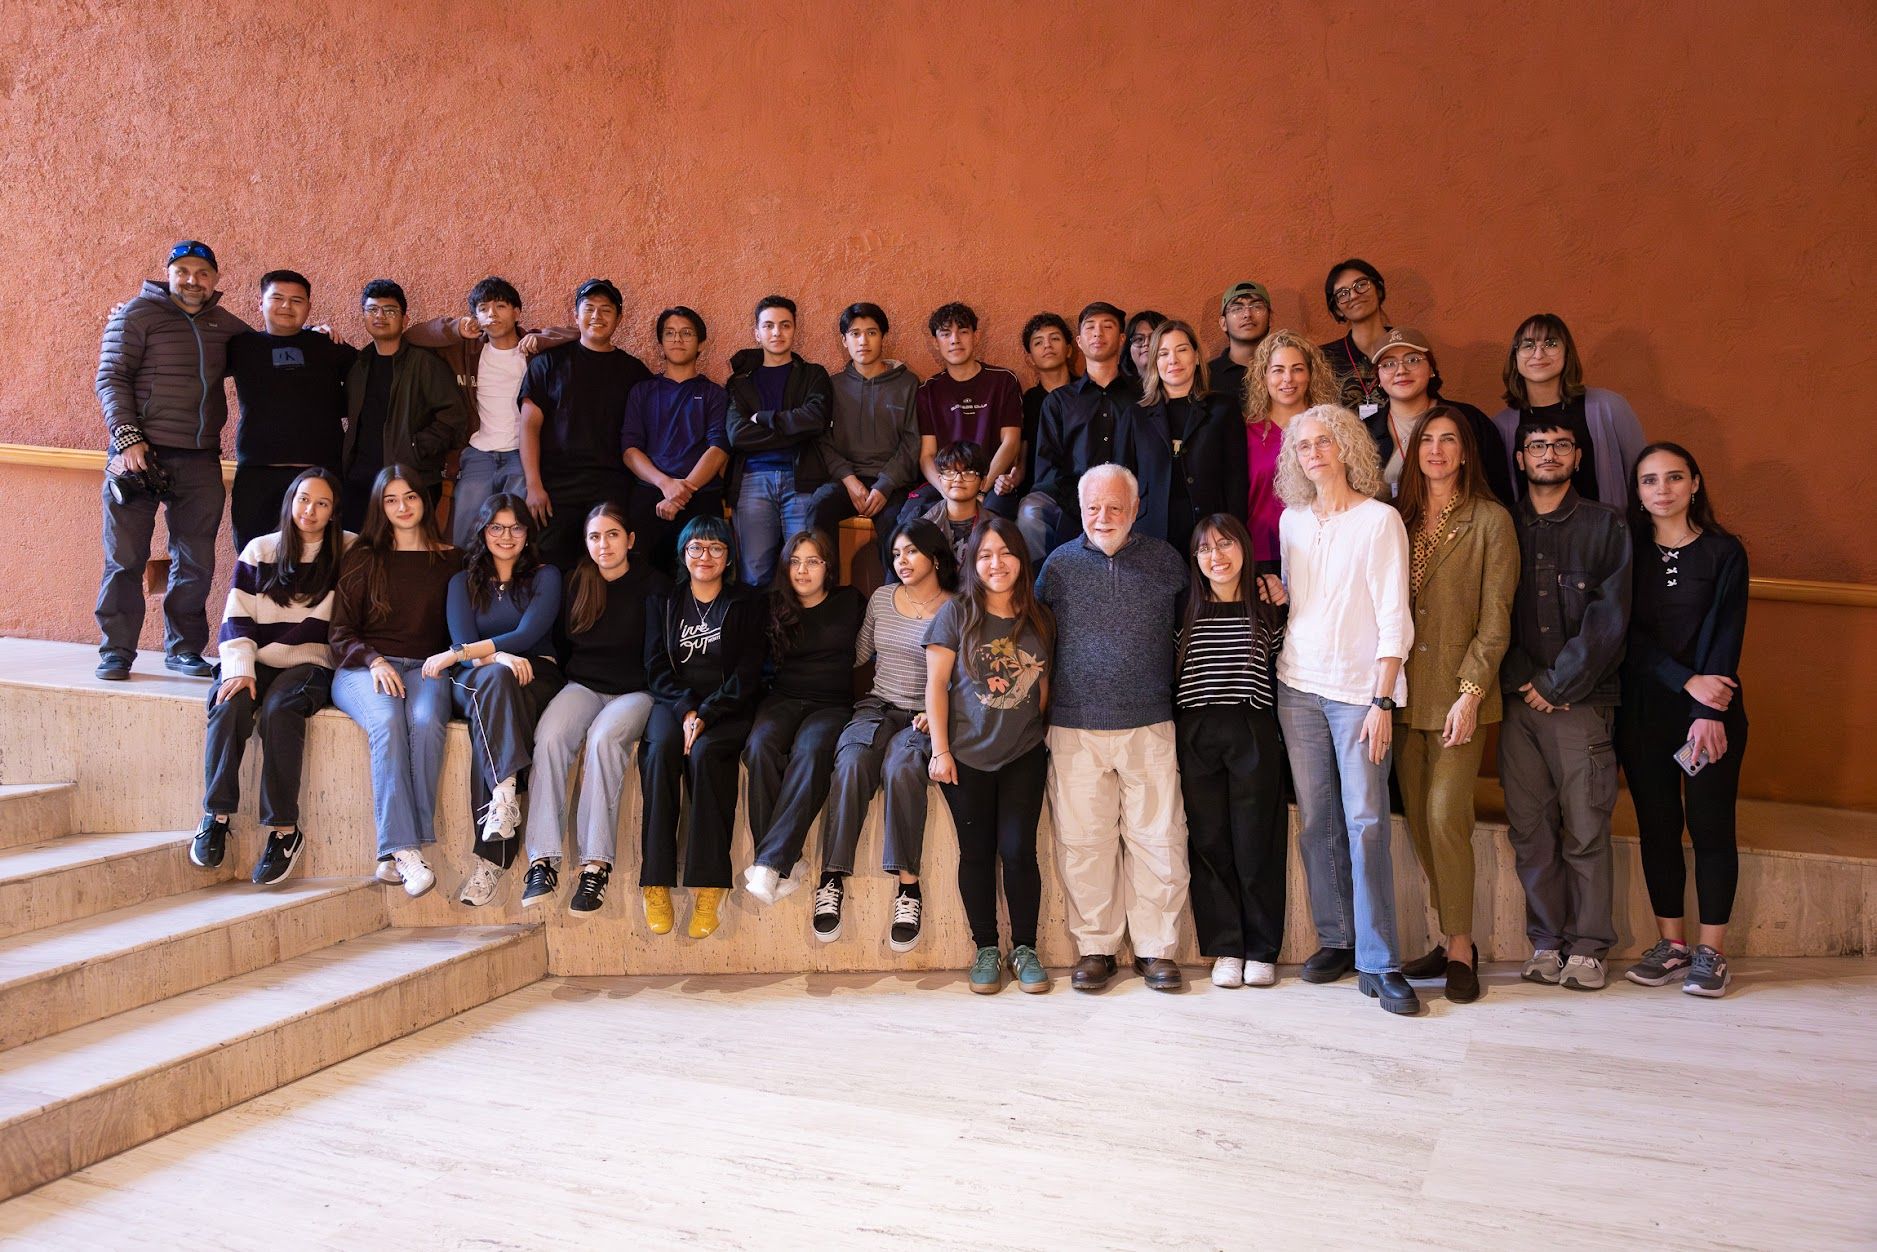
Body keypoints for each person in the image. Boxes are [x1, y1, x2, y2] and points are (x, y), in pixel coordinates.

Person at [1272, 405, 1420, 1015]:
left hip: (1360, 694)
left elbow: (1394, 615)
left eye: (1324, 441)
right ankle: (1336, 939)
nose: (1313, 453)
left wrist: (1383, 697)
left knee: (1367, 823)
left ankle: (1380, 961)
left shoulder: (1380, 520)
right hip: (1297, 686)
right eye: (1302, 446)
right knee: (1316, 823)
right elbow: (1300, 601)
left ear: (1348, 446)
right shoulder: (1291, 522)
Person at [1036, 463, 1190, 993]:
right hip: (1074, 724)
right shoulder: (1056, 567)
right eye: (1093, 507)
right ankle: (1096, 946)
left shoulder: (1166, 562)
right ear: (1080, 510)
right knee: (1084, 841)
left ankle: (1156, 950)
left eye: (1115, 506)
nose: (1104, 517)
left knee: (1158, 839)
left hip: (1149, 720)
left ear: (1135, 507)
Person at [1499, 416, 1632, 991]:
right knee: (1530, 831)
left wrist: (1556, 684)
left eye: (1559, 445)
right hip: (1517, 702)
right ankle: (1547, 942)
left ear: (1578, 457)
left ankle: (1590, 945)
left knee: (1584, 829)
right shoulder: (1503, 524)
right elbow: (1490, 612)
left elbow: (1611, 620)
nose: (1547, 454)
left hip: (1580, 703)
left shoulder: (1607, 527)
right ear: (1521, 458)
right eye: (1536, 445)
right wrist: (1527, 680)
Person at [1390, 410, 1518, 1004]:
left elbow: (1496, 622)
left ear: (1466, 453)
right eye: (1427, 441)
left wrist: (1471, 693)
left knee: (1445, 816)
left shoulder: (1491, 521)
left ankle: (1463, 945)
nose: (1436, 450)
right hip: (1402, 694)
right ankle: (1446, 937)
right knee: (1419, 820)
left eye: (1449, 441)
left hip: (1457, 697)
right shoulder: (1399, 517)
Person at [1618, 443, 1748, 998]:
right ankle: (1671, 944)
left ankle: (1711, 952)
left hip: (1711, 717)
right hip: (1644, 710)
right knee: (1658, 827)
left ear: (1695, 483)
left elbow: (1726, 636)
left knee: (1712, 828)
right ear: (1639, 493)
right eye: (1650, 481)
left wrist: (1704, 709)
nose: (1662, 489)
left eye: (1674, 477)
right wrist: (1682, 680)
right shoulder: (1626, 551)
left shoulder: (1724, 552)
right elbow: (1622, 636)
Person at [95, 240, 253, 681]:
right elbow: (110, 377)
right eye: (182, 270)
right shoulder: (135, 314)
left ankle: (184, 649)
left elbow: (262, 347)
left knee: (195, 560)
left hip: (200, 457)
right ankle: (116, 652)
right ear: (168, 273)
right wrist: (127, 438)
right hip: (137, 454)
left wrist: (314, 333)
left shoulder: (225, 325)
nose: (192, 280)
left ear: (216, 279)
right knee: (124, 558)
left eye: (202, 273)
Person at [193, 468, 351, 885]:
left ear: (334, 512)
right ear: (290, 502)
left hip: (312, 662)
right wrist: (241, 669)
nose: (310, 510)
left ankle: (284, 830)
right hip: (258, 658)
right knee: (230, 704)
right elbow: (237, 619)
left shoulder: (350, 551)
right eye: (303, 499)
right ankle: (216, 815)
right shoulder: (260, 551)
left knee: (282, 710)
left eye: (322, 503)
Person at [812, 519, 957, 947]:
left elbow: (964, 674)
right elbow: (858, 654)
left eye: (911, 551)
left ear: (934, 556)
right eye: (896, 554)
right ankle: (831, 878)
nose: (902, 561)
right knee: (853, 761)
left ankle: (908, 887)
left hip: (924, 715)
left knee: (903, 766)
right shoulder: (880, 599)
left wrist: (941, 713)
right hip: (877, 706)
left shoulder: (957, 606)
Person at [520, 502, 670, 916]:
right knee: (549, 737)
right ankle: (542, 859)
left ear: (630, 540)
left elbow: (660, 654)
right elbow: (565, 646)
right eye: (594, 537)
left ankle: (595, 865)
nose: (603, 545)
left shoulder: (655, 585)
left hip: (636, 692)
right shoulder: (577, 581)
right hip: (583, 685)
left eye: (612, 535)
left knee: (604, 740)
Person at [927, 516, 1055, 995]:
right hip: (964, 757)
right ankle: (985, 947)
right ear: (971, 562)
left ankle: (1025, 948)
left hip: (1023, 754)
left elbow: (1041, 688)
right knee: (976, 853)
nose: (995, 563)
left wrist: (1025, 730)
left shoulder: (1039, 616)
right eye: (984, 555)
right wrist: (940, 749)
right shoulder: (955, 613)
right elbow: (936, 685)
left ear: (1021, 559)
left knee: (1019, 850)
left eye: (1005, 553)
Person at [328, 465, 461, 899]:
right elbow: (340, 633)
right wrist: (374, 659)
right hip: (362, 669)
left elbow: (460, 628)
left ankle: (398, 852)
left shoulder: (450, 559)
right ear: (379, 507)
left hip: (427, 668)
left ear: (424, 500)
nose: (402, 507)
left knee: (424, 723)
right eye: (391, 500)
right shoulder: (363, 556)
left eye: (410, 497)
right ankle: (406, 849)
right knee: (386, 723)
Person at [429, 494, 565, 907]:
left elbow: (528, 635)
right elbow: (462, 639)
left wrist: (480, 655)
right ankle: (504, 800)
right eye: (497, 527)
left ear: (528, 533)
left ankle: (491, 857)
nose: (506, 536)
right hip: (476, 677)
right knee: (495, 684)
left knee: (490, 722)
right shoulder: (461, 582)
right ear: (483, 531)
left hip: (535, 672)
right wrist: (497, 656)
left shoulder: (546, 576)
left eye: (516, 527)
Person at [1175, 513, 1289, 990]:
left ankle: (1262, 949)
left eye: (1225, 546)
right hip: (1197, 727)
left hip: (1252, 726)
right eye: (1205, 549)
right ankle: (1226, 947)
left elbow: (1281, 666)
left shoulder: (1268, 606)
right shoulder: (1183, 607)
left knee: (1256, 840)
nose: (1216, 557)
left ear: (1244, 548)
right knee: (1210, 841)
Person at [639, 515, 767, 939]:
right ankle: (655, 882)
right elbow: (656, 666)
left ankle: (709, 885)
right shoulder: (665, 601)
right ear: (683, 553)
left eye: (716, 548)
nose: (705, 556)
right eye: (696, 547)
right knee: (658, 754)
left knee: (709, 755)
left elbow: (748, 673)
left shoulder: (746, 602)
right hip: (676, 704)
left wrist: (709, 712)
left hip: (726, 706)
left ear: (728, 556)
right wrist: (687, 710)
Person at [403, 276, 573, 549]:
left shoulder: (531, 352)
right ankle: (466, 586)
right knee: (464, 534)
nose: (491, 313)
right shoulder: (467, 350)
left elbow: (575, 333)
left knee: (517, 533)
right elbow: (412, 335)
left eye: (501, 306)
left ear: (517, 312)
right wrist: (456, 328)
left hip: (522, 455)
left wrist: (540, 339)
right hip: (477, 454)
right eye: (483, 308)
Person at [742, 531, 864, 903]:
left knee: (810, 753)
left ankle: (770, 863)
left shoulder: (850, 601)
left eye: (812, 561)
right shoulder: (773, 605)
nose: (803, 570)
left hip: (830, 703)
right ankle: (783, 861)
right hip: (783, 697)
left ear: (828, 567)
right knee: (759, 747)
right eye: (795, 561)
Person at [519, 278, 653, 570]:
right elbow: (529, 427)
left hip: (611, 486)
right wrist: (533, 485)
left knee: (606, 568)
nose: (597, 316)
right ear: (575, 315)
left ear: (619, 318)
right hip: (555, 489)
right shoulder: (548, 363)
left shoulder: (634, 372)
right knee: (551, 569)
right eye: (589, 308)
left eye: (606, 310)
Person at [226, 270, 356, 550]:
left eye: (297, 300)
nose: (287, 306)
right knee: (255, 556)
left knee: (320, 559)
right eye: (277, 298)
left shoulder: (328, 346)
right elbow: (191, 352)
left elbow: (369, 382)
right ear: (260, 303)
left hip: (320, 474)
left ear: (309, 307)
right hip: (258, 473)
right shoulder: (240, 346)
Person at [797, 302, 921, 581]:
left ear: (883, 337)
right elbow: (823, 440)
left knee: (899, 527)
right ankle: (824, 593)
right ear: (844, 340)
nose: (863, 341)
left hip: (892, 484)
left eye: (871, 332)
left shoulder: (908, 384)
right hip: (846, 481)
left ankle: (895, 602)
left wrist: (886, 484)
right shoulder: (833, 386)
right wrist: (848, 479)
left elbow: (912, 442)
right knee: (819, 506)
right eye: (854, 334)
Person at [339, 280, 467, 533]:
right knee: (357, 555)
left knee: (408, 558)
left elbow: (454, 415)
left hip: (411, 480)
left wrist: (416, 447)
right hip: (360, 480)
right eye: (372, 310)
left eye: (389, 310)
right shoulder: (358, 364)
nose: (380, 316)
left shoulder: (424, 363)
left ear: (405, 319)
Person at [725, 295, 833, 587]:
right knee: (754, 573)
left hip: (802, 482)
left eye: (785, 325)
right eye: (769, 326)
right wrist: (790, 428)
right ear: (756, 333)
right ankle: (759, 633)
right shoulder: (741, 381)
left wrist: (763, 419)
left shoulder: (813, 375)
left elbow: (814, 420)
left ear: (795, 330)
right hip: (752, 482)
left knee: (806, 572)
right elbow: (738, 435)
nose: (777, 333)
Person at [1489, 313, 1645, 507]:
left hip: (1606, 535)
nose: (1538, 354)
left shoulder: (1609, 408)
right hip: (1531, 537)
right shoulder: (1501, 426)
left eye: (1551, 344)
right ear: (1515, 357)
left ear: (1567, 353)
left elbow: (1643, 476)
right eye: (1528, 345)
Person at [1024, 302, 1141, 557]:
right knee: (1031, 510)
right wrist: (1085, 506)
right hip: (1072, 503)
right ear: (1078, 341)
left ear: (1121, 339)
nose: (1098, 333)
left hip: (1133, 504)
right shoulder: (1058, 402)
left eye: (1107, 326)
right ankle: (1039, 591)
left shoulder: (1142, 397)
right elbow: (1047, 470)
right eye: (1090, 327)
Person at [1119, 320, 1247, 551]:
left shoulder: (1223, 408)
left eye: (1182, 350)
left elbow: (1236, 477)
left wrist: (1235, 532)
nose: (1173, 360)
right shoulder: (1135, 415)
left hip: (1212, 530)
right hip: (1152, 533)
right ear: (1155, 363)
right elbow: (1125, 480)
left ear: (1196, 356)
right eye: (1163, 353)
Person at [621, 305, 730, 576]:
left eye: (686, 333)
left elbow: (718, 450)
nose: (677, 339)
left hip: (701, 495)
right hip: (650, 494)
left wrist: (682, 493)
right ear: (660, 343)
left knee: (703, 575)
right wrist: (665, 484)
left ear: (700, 343)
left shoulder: (714, 394)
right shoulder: (643, 391)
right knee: (644, 575)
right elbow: (630, 450)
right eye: (669, 333)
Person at [906, 303, 1025, 529]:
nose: (955, 340)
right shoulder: (928, 391)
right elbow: (927, 455)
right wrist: (949, 491)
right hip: (945, 482)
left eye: (963, 331)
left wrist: (981, 485)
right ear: (935, 342)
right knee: (910, 524)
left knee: (995, 528)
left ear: (975, 336)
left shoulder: (1003, 381)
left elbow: (1011, 443)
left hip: (991, 481)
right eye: (945, 333)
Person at [1364, 327, 1515, 504]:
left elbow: (1498, 493)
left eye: (1412, 360)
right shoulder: (1364, 431)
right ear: (1378, 377)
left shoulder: (1470, 421)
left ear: (1431, 369)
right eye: (1389, 364)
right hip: (1387, 530)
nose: (1401, 370)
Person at [1242, 330, 1339, 568]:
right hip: (1262, 555)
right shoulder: (1245, 433)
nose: (1288, 379)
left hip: (1322, 550)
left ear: (1310, 375)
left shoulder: (1332, 429)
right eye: (1278, 370)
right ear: (1263, 377)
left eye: (1297, 369)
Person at [1317, 258, 1392, 419]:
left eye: (1361, 285)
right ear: (1337, 310)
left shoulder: (1404, 344)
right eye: (1342, 293)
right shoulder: (1323, 358)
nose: (1354, 295)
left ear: (1378, 289)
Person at [1019, 312, 1077, 513]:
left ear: (1069, 350)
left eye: (1054, 338)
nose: (1047, 346)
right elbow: (1024, 452)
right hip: (1042, 490)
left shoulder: (1088, 392)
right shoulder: (1029, 400)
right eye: (1038, 342)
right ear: (1030, 359)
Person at [917, 440, 988, 566]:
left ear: (983, 482)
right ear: (940, 479)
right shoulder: (922, 521)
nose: (958, 479)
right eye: (950, 472)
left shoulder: (994, 526)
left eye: (968, 473)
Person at [1209, 282, 1271, 409]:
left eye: (1257, 306)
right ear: (1223, 323)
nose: (1247, 314)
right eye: (1237, 308)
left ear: (1270, 318)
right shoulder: (1207, 375)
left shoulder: (1286, 368)